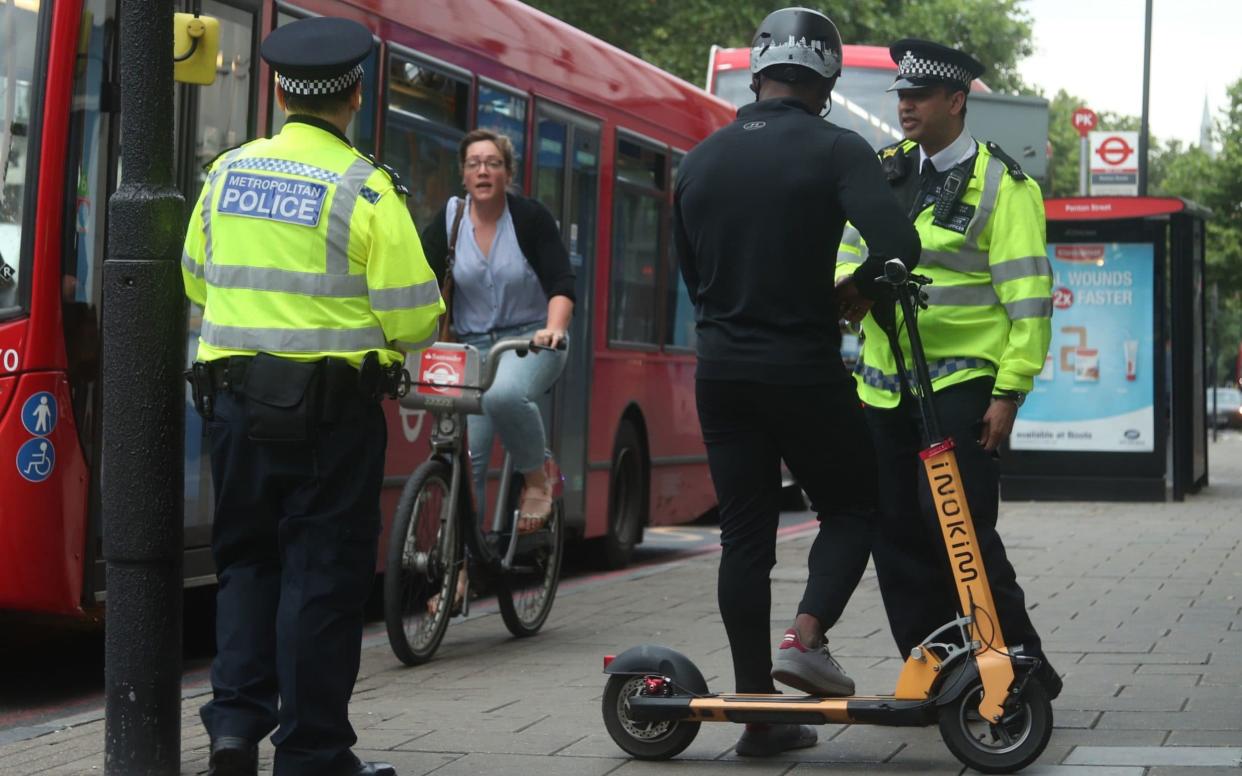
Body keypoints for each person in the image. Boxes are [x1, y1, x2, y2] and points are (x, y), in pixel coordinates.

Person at [182, 17, 444, 776]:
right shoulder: (367, 188)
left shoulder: (227, 174)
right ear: (356, 95)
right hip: (331, 419)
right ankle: (312, 753)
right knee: (320, 581)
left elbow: (196, 277)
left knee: (246, 567)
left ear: (275, 88)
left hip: (233, 407)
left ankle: (233, 730)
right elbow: (412, 316)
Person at [673, 7, 921, 758]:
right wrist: (861, 291)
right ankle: (807, 638)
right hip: (802, 368)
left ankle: (760, 718)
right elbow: (899, 245)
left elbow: (692, 275)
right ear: (827, 77)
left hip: (720, 372)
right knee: (856, 503)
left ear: (757, 72)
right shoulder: (838, 148)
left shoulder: (702, 159)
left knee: (744, 538)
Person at [835, 39, 1061, 699]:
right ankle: (939, 668)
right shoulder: (880, 172)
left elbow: (1029, 299)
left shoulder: (1004, 185)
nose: (905, 105)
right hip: (883, 387)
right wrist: (848, 285)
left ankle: (1021, 663)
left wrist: (1010, 391)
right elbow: (845, 254)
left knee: (959, 528)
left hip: (963, 386)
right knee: (896, 530)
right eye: (901, 95)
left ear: (955, 101)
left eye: (919, 96)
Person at [420, 128, 574, 535]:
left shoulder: (530, 218)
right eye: (474, 164)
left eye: (493, 163)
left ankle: (537, 480)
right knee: (463, 457)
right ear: (463, 175)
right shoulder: (451, 220)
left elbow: (562, 283)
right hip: (470, 351)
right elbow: (419, 279)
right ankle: (461, 569)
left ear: (508, 173)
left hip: (528, 343)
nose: (483, 171)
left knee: (505, 395)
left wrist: (553, 329)